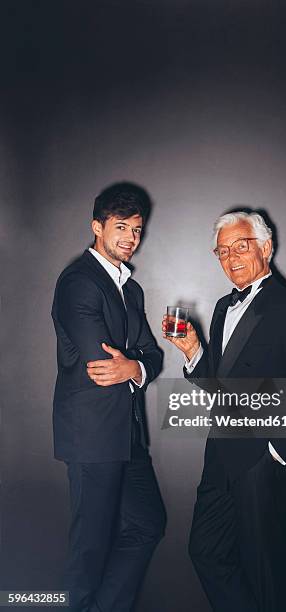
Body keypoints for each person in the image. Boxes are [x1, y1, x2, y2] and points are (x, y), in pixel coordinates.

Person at [163, 211, 286, 612]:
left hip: (260, 460)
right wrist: (193, 352)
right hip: (219, 455)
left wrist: (276, 453)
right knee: (205, 551)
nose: (231, 257)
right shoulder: (224, 307)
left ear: (266, 248)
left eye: (242, 246)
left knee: (261, 569)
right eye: (222, 251)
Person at [52, 183, 165, 612]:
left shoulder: (130, 289)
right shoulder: (79, 283)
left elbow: (148, 356)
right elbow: (102, 367)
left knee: (147, 524)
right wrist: (133, 365)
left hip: (128, 437)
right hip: (92, 436)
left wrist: (135, 366)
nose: (130, 239)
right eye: (121, 228)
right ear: (96, 227)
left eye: (137, 230)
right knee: (90, 547)